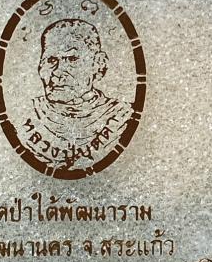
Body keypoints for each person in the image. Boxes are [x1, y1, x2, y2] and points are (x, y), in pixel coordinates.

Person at [20, 18, 133, 172]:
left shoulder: (122, 116)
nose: (58, 71)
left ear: (98, 64)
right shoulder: (26, 115)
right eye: (51, 60)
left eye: (72, 59)